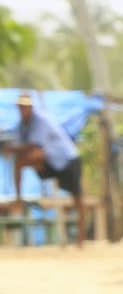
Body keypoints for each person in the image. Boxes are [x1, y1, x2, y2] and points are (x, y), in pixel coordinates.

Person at [12, 91, 86, 246]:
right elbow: (21, 149)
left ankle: (81, 237)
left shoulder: (42, 120)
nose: (23, 110)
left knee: (78, 198)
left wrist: (12, 149)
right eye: (20, 107)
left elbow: (34, 146)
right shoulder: (20, 126)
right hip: (50, 164)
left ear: (31, 107)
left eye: (25, 107)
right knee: (19, 162)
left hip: (67, 160)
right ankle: (19, 199)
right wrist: (15, 151)